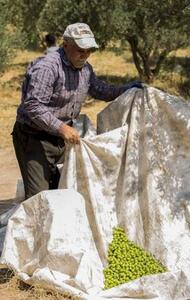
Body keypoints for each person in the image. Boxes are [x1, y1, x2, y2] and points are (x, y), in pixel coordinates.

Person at [12, 22, 142, 199]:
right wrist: (62, 128)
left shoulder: (85, 70)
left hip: (61, 139)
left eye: (89, 50)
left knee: (63, 189)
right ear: (65, 44)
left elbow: (101, 90)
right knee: (39, 199)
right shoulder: (47, 67)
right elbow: (33, 106)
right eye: (81, 49)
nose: (85, 55)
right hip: (35, 137)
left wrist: (129, 88)